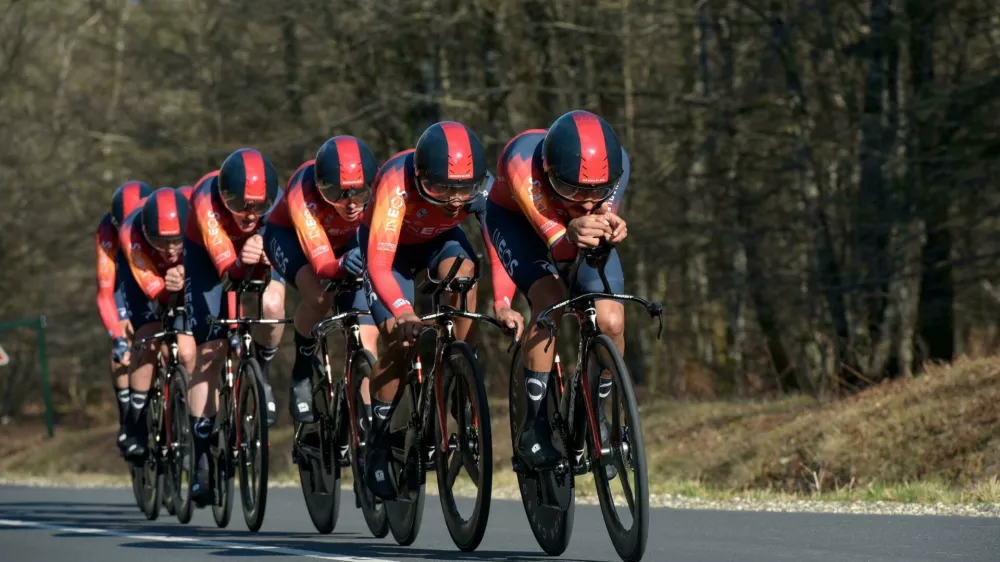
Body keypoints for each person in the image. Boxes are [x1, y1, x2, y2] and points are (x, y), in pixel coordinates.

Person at [361, 121, 505, 500]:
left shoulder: (482, 187)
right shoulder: (396, 182)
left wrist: (504, 302)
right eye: (442, 189)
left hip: (439, 242)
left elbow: (498, 252)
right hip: (389, 252)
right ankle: (378, 435)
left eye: (464, 190)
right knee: (399, 338)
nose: (456, 200)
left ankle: (456, 366)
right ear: (421, 176)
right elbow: (378, 265)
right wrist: (404, 311)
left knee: (466, 272)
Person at [486, 110, 630, 472]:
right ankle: (533, 425)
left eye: (596, 192)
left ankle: (598, 412)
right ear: (550, 173)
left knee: (611, 319)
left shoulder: (620, 164)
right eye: (572, 189)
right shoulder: (522, 163)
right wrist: (575, 226)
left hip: (570, 228)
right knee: (550, 301)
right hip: (520, 223)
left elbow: (595, 220)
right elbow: (563, 252)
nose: (584, 202)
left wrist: (610, 227)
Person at [180, 149, 284, 505]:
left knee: (272, 304)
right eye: (240, 204)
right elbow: (227, 268)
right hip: (208, 260)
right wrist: (242, 259)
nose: (251, 214)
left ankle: (262, 373)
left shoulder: (276, 205)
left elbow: (282, 241)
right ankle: (203, 459)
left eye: (260, 206)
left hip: (256, 253)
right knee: (209, 351)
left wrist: (268, 248)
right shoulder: (205, 198)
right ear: (225, 196)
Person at [264, 136, 380, 423]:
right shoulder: (301, 193)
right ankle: (301, 371)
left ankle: (367, 424)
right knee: (319, 296)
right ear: (320, 187)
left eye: (359, 193)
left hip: (346, 244)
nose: (351, 204)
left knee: (367, 337)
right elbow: (323, 264)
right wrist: (339, 264)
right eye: (337, 194)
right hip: (294, 240)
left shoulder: (379, 193)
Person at [117, 187, 197, 461]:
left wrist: (188, 277)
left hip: (183, 279)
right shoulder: (131, 234)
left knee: (187, 352)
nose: (172, 249)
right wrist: (168, 287)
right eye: (162, 241)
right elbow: (154, 292)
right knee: (149, 339)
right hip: (144, 279)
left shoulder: (197, 220)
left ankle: (188, 414)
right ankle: (136, 422)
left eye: (177, 240)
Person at [96, 180, 153, 451]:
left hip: (152, 266)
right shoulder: (107, 232)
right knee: (124, 336)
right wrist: (117, 337)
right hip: (122, 278)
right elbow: (106, 292)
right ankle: (128, 419)